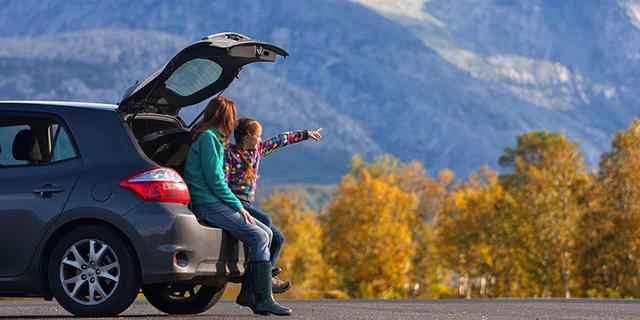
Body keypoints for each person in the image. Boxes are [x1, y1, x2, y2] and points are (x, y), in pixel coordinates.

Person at [183, 97, 291, 316]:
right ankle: (262, 299)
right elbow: (215, 181)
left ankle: (251, 293)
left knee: (268, 233)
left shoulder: (211, 139)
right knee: (261, 237)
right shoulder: (209, 139)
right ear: (226, 117)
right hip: (209, 204)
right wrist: (238, 207)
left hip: (214, 201)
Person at [224, 117, 322, 293]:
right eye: (258, 136)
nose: (261, 140)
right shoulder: (229, 154)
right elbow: (222, 183)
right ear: (247, 136)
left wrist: (305, 134)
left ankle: (265, 273)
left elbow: (280, 140)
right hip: (236, 203)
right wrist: (232, 205)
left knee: (279, 238)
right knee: (266, 221)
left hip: (249, 203)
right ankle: (261, 278)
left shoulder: (258, 151)